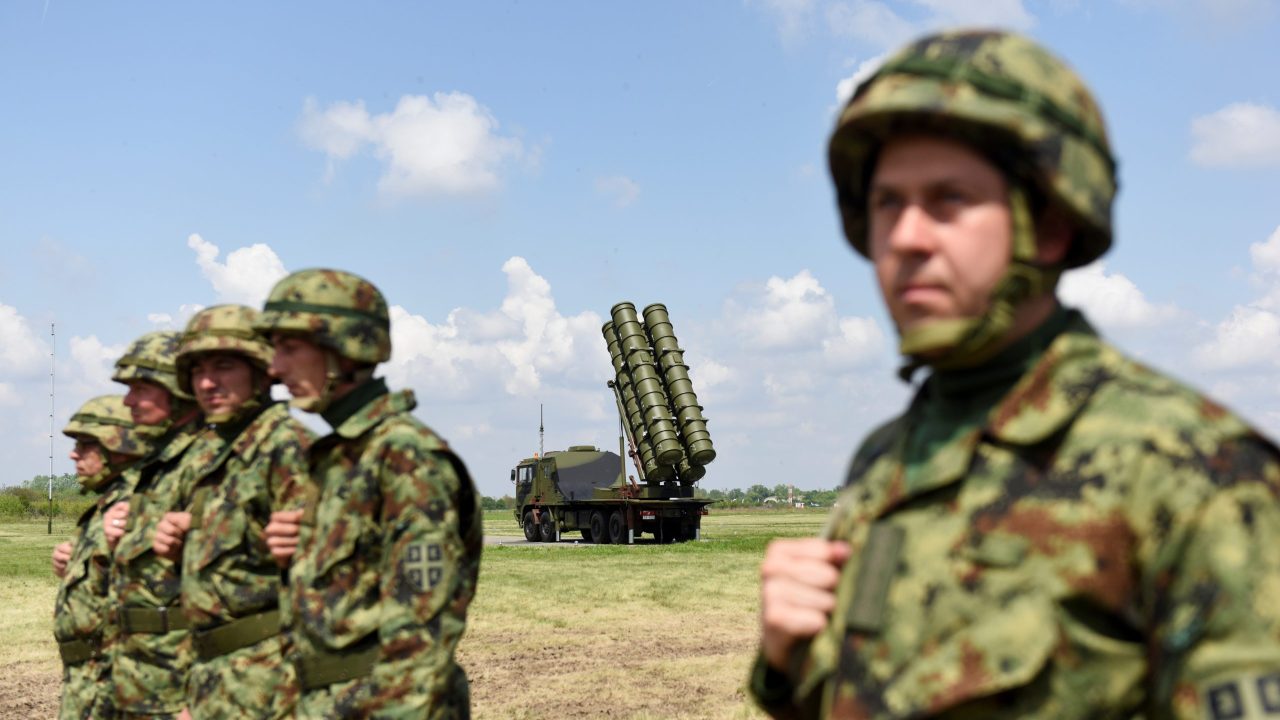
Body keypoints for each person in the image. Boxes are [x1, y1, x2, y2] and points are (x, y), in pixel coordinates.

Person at [750, 29, 1280, 719]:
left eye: (949, 200)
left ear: (1050, 226)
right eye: (887, 203)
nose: (906, 238)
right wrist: (784, 666)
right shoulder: (886, 463)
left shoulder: (1196, 473)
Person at [256, 268, 482, 717]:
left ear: (344, 348)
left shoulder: (403, 456)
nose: (274, 369)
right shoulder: (341, 457)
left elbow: (419, 645)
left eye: (289, 348)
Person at [150, 305, 313, 719]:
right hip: (210, 676)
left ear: (262, 372)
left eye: (224, 366)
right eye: (197, 370)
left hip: (272, 683)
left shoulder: (288, 448)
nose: (207, 382)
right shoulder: (207, 455)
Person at [106, 331, 202, 719]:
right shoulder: (157, 468)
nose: (128, 401)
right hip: (142, 674)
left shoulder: (208, 462)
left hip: (182, 681)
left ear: (178, 389)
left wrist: (194, 699)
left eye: (141, 388)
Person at [53, 395, 155, 720]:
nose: (74, 454)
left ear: (118, 445)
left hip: (122, 682)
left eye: (86, 444)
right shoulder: (107, 506)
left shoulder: (141, 503)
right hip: (90, 680)